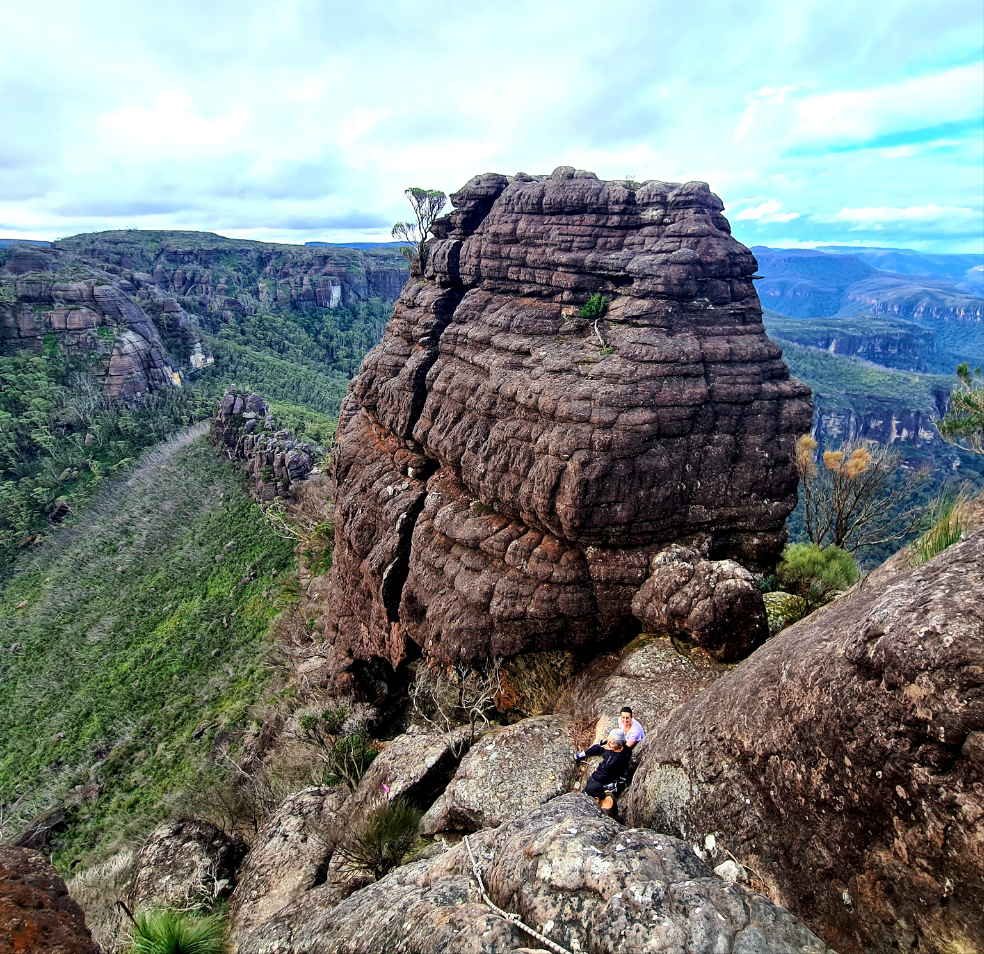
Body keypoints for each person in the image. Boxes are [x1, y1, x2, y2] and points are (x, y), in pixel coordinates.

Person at [573, 728, 632, 800]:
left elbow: (602, 776)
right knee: (597, 747)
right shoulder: (625, 748)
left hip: (610, 779)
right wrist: (605, 743)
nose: (608, 744)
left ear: (619, 745)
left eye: (611, 743)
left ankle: (583, 797)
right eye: (609, 741)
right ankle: (583, 754)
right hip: (611, 766)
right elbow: (606, 745)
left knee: (590, 785)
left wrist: (594, 773)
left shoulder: (612, 761)